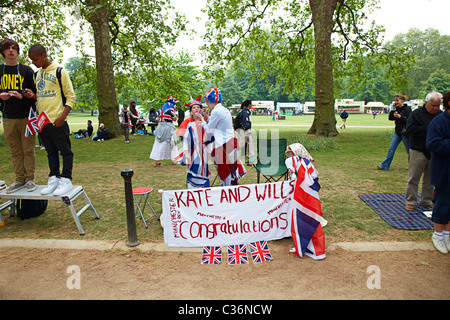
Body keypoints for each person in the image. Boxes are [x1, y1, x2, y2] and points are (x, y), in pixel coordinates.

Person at [26, 44, 76, 196]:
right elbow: (42, 95)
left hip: (57, 120)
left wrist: (62, 117)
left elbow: (71, 97)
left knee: (65, 151)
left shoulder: (60, 71)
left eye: (35, 59)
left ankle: (66, 178)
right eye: (31, 60)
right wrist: (33, 95)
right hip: (43, 122)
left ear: (44, 55)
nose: (34, 63)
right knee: (50, 151)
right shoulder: (37, 74)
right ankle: (54, 177)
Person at [0, 39, 37, 193]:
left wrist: (24, 96)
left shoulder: (27, 70)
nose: (11, 51)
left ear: (18, 51)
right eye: (7, 48)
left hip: (26, 116)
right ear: (2, 52)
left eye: (14, 48)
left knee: (28, 149)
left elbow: (35, 95)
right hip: (8, 117)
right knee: (15, 150)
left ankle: (29, 180)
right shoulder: (0, 71)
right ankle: (19, 179)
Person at [193, 88, 246, 186]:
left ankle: (226, 189)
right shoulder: (224, 109)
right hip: (231, 141)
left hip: (224, 144)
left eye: (208, 103)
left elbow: (209, 129)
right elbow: (218, 124)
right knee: (229, 168)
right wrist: (206, 117)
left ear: (212, 102)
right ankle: (231, 186)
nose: (208, 105)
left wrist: (202, 119)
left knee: (224, 169)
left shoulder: (216, 111)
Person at [404, 91, 443, 211]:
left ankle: (427, 200)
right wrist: (428, 129)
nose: (436, 108)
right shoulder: (416, 114)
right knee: (413, 178)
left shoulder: (441, 115)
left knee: (430, 179)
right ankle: (410, 201)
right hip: (418, 150)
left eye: (438, 105)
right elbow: (409, 129)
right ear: (426, 103)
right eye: (433, 105)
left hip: (434, 152)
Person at [426, 91, 450, 254]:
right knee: (442, 204)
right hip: (444, 172)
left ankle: (447, 234)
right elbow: (432, 144)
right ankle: (438, 234)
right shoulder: (439, 122)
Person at [178, 97, 211, 188]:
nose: (196, 109)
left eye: (198, 107)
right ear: (191, 112)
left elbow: (211, 134)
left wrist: (204, 118)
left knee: (203, 170)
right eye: (194, 107)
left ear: (201, 110)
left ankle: (204, 190)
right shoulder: (189, 125)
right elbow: (185, 140)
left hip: (204, 151)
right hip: (193, 151)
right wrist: (186, 153)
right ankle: (192, 189)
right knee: (194, 170)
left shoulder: (205, 123)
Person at [377, 94, 411, 171]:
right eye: (395, 100)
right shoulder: (397, 109)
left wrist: (401, 117)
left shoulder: (407, 109)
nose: (396, 102)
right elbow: (390, 118)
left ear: (402, 100)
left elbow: (409, 120)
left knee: (409, 150)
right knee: (391, 149)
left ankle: (413, 166)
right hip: (397, 132)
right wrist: (393, 109)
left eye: (397, 100)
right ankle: (385, 165)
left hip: (405, 133)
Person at [150, 96, 178, 166]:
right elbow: (174, 118)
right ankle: (174, 159)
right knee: (172, 142)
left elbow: (157, 119)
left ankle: (157, 161)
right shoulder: (170, 109)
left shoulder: (160, 109)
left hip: (160, 127)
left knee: (159, 143)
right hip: (168, 127)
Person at [235, 100, 255, 164]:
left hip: (241, 129)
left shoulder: (244, 111)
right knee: (244, 143)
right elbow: (245, 121)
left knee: (248, 142)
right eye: (251, 104)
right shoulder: (245, 112)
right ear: (249, 105)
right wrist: (247, 129)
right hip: (243, 129)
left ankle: (251, 157)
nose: (252, 105)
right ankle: (233, 154)